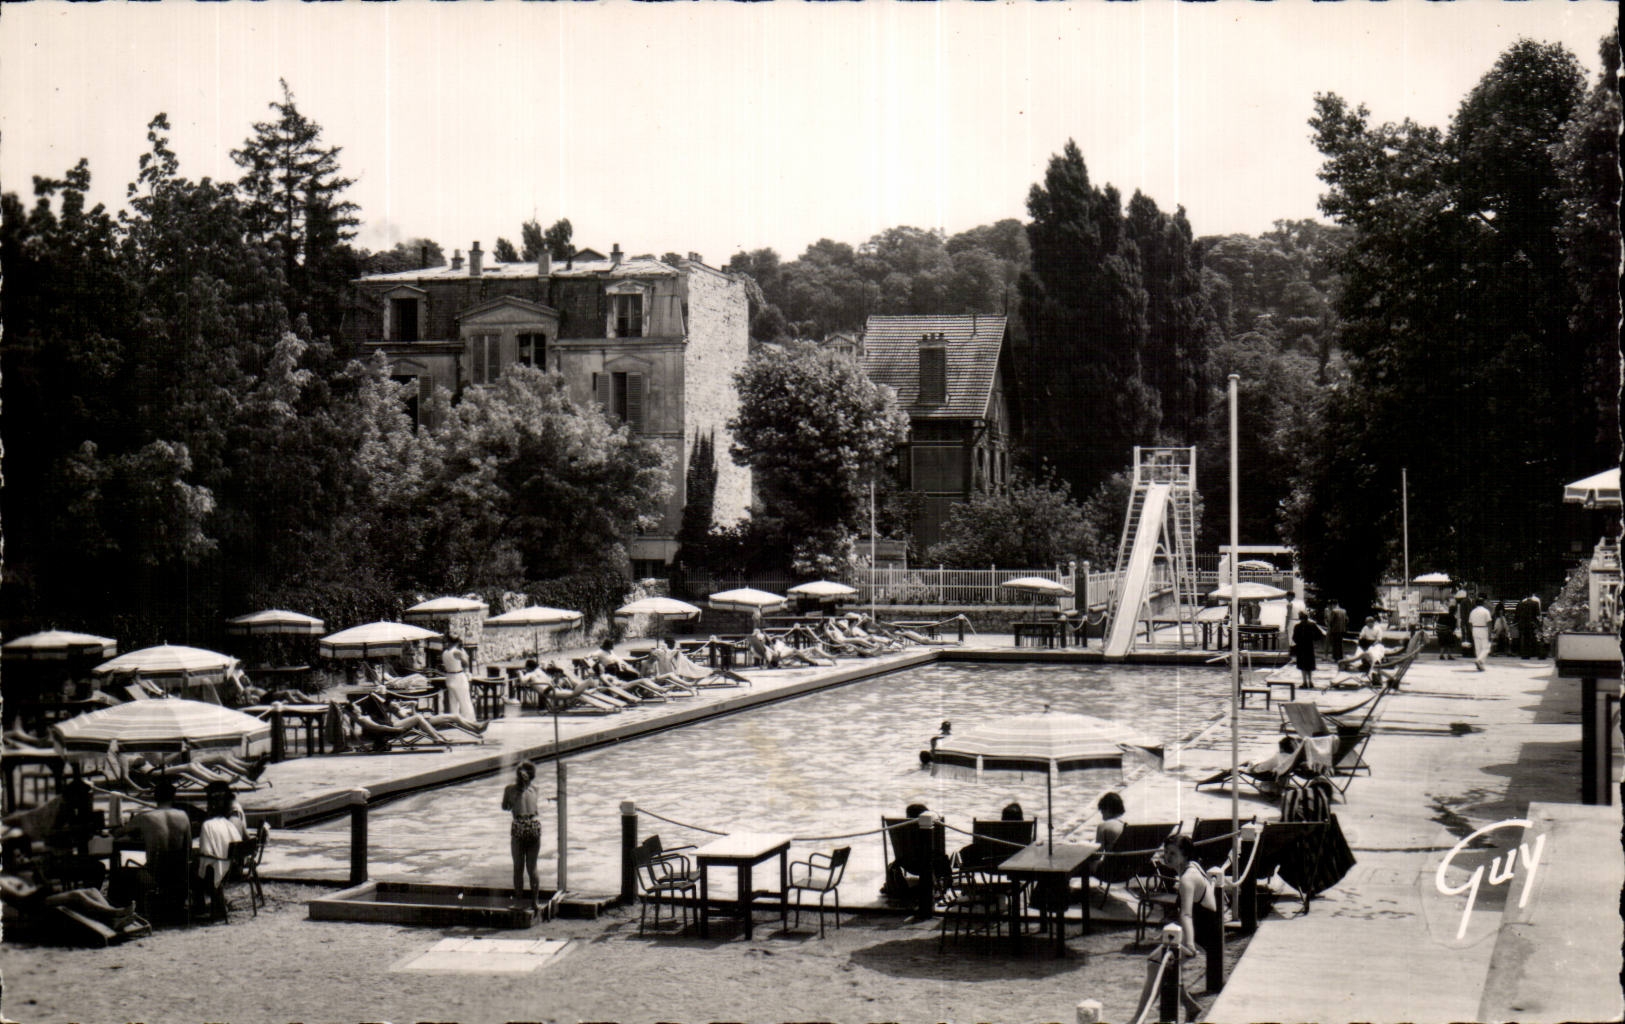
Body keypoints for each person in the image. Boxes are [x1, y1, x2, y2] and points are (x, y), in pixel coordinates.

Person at [1136, 835, 1220, 1022]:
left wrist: (1189, 944)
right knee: (1158, 962)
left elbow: (1187, 914)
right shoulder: (1193, 868)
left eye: (1173, 853)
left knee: (1156, 965)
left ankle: (1137, 1019)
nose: (1168, 857)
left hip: (1201, 933)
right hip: (1207, 928)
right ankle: (1190, 1006)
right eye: (1166, 852)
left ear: (1185, 855)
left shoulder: (1187, 879)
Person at [116, 778, 193, 924]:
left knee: (123, 869)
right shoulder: (183, 816)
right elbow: (187, 847)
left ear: (155, 797)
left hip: (155, 873)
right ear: (173, 796)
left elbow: (118, 833)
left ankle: (127, 909)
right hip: (179, 874)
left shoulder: (145, 818)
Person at [193, 789, 245, 922]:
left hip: (218, 871)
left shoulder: (207, 825)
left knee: (192, 870)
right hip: (232, 869)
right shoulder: (229, 824)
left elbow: (205, 851)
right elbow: (238, 844)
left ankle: (199, 908)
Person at [501, 761, 543, 908]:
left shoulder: (510, 789)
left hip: (519, 824)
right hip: (533, 824)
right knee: (532, 867)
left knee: (518, 867)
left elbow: (505, 807)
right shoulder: (535, 789)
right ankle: (535, 901)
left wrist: (512, 802)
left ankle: (518, 900)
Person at [441, 637, 474, 721]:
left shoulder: (445, 653)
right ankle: (469, 720)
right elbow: (466, 663)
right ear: (457, 643)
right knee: (465, 700)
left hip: (449, 677)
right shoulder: (457, 652)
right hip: (458, 676)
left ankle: (455, 720)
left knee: (453, 702)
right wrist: (464, 654)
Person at [1291, 610, 1321, 689]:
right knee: (1309, 665)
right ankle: (1310, 682)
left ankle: (1304, 682)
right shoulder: (1312, 625)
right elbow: (1319, 635)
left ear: (1300, 618)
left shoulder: (1297, 626)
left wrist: (1298, 641)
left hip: (1301, 647)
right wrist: (1313, 639)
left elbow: (1294, 638)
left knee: (1302, 666)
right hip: (1309, 646)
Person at [1468, 598, 1492, 672]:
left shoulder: (1472, 612)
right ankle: (1479, 660)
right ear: (1483, 603)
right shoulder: (1486, 611)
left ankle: (1481, 665)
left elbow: (1470, 623)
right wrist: (1489, 633)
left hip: (1475, 629)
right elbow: (1489, 623)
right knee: (1486, 648)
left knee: (1478, 648)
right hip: (1483, 629)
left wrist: (1472, 631)